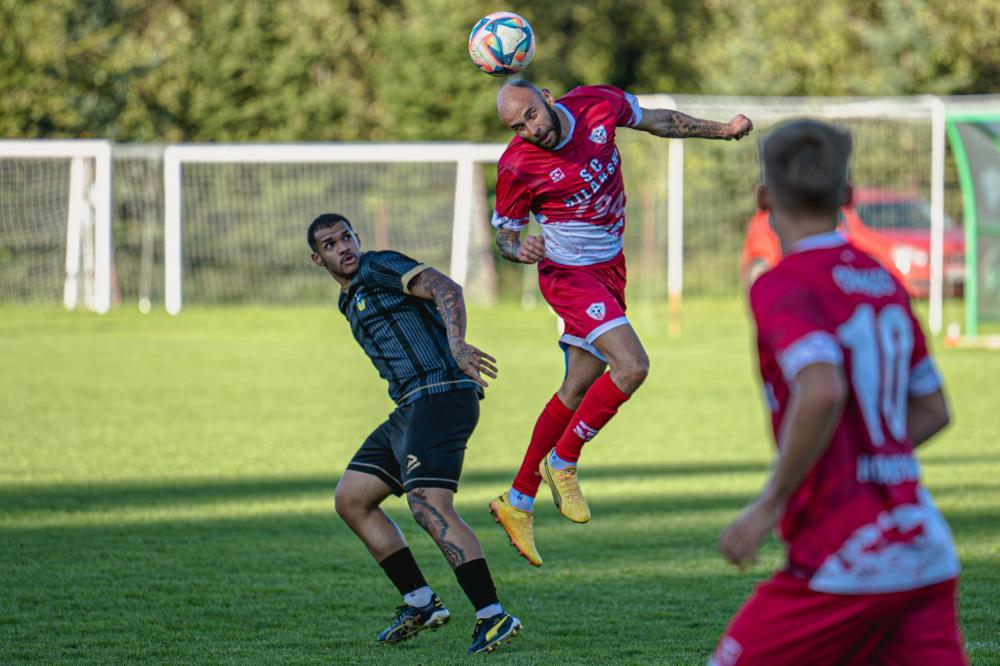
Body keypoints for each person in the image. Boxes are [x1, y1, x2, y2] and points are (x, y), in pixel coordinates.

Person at [711, 120, 966, 665]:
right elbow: (934, 409)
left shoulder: (781, 284)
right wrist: (868, 456)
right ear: (848, 197)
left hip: (845, 554)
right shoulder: (883, 279)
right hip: (924, 546)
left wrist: (768, 504)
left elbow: (822, 389)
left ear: (763, 198)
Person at [486, 80, 753, 566]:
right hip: (568, 275)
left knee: (577, 385)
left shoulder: (595, 103)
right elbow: (504, 234)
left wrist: (724, 130)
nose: (530, 130)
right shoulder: (517, 164)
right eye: (517, 126)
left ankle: (518, 499)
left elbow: (661, 121)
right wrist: (518, 248)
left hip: (609, 267)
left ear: (547, 96)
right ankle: (563, 461)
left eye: (531, 115)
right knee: (632, 366)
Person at [308, 213, 522, 655]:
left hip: (441, 394)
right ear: (317, 258)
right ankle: (420, 602)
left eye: (347, 236)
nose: (343, 247)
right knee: (352, 498)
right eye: (330, 244)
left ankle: (492, 614)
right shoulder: (348, 300)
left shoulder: (378, 265)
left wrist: (458, 343)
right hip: (410, 407)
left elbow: (446, 288)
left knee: (428, 504)